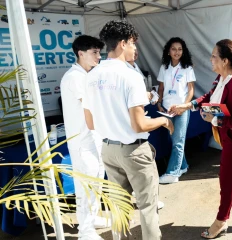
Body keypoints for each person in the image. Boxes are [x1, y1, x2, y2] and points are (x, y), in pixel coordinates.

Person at [82, 20, 174, 240]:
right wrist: (163, 122)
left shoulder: (91, 76)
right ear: (123, 43)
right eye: (133, 43)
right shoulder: (130, 76)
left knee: (118, 207)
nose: (135, 49)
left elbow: (91, 123)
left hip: (108, 150)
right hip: (134, 151)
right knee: (148, 207)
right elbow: (139, 125)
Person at [169, 39, 232, 239]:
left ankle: (221, 221)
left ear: (226, 60)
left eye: (214, 56)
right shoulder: (222, 78)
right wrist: (189, 105)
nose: (210, 59)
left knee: (227, 179)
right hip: (229, 136)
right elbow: (210, 96)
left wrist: (217, 121)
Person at [60, 35, 109, 240]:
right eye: (94, 52)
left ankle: (93, 218)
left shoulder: (87, 74)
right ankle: (85, 231)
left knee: (96, 182)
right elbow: (92, 106)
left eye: (99, 52)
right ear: (80, 53)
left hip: (94, 138)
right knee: (85, 185)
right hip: (82, 141)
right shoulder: (74, 77)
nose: (98, 56)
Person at [126, 49, 165, 211]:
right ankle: (148, 201)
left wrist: (148, 95)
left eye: (136, 50)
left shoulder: (135, 68)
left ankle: (143, 196)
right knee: (141, 167)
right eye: (131, 47)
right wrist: (163, 120)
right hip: (132, 128)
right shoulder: (125, 72)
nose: (135, 52)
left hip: (139, 119)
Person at [157, 37, 196, 184]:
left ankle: (172, 173)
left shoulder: (187, 68)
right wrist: (159, 103)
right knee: (173, 140)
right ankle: (183, 166)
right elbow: (161, 88)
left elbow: (191, 90)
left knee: (178, 142)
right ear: (168, 51)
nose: (177, 52)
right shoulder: (164, 67)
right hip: (167, 108)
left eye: (180, 49)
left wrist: (184, 106)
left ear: (183, 51)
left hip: (181, 109)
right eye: (174, 49)